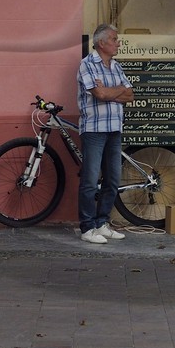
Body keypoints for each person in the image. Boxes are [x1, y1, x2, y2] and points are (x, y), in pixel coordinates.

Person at [76, 23, 133, 244]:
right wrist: (114, 91)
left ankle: (102, 223)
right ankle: (87, 227)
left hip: (114, 129)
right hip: (94, 130)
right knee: (90, 181)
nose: (118, 43)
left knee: (113, 180)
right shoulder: (87, 65)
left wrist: (112, 92)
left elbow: (130, 95)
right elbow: (99, 94)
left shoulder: (116, 66)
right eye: (114, 39)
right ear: (102, 43)